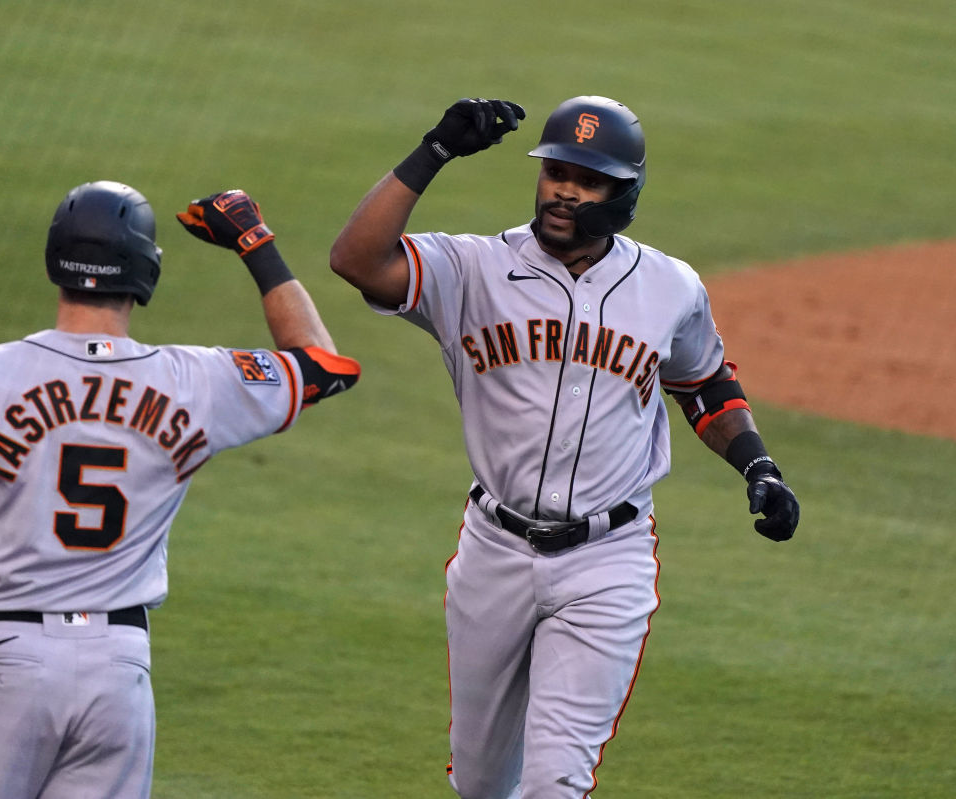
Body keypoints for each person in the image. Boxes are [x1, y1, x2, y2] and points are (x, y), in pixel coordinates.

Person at [0, 182, 360, 798]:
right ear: (146, 270)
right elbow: (322, 365)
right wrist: (251, 239)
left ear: (56, 261)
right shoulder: (196, 381)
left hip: (2, 661)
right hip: (117, 672)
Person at [329, 96, 799, 798]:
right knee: (484, 782)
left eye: (588, 179)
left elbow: (704, 386)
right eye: (555, 171)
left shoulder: (669, 287)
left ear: (624, 194)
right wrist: (434, 151)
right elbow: (356, 259)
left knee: (555, 781)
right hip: (494, 552)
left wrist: (757, 463)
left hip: (607, 561)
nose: (564, 190)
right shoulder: (473, 269)